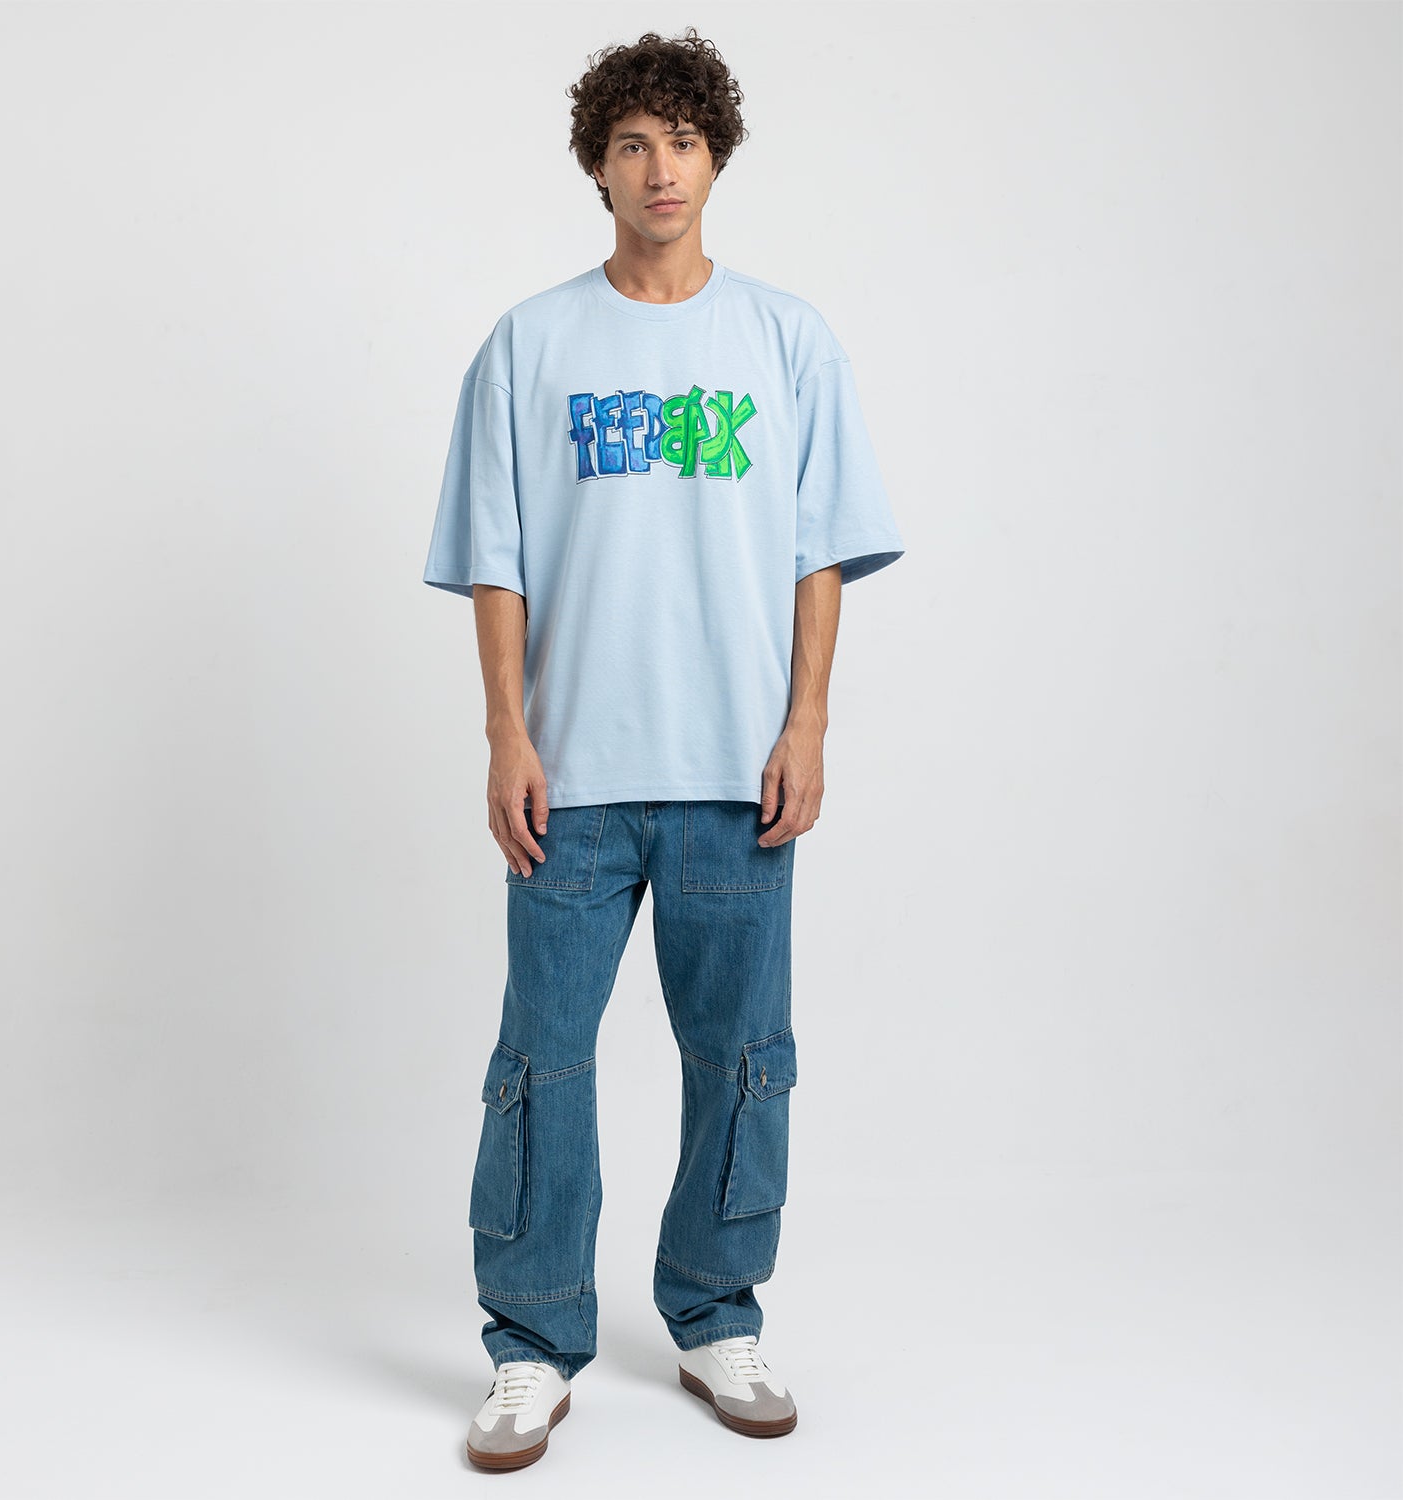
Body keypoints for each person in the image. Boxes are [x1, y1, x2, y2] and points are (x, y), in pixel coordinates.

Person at [422, 27, 905, 1472]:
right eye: (632, 143)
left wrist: (807, 723)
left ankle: (714, 1312)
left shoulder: (787, 341)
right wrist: (506, 732)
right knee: (540, 1063)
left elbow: (821, 552)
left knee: (744, 1060)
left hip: (734, 776)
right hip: (570, 779)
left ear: (716, 157)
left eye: (682, 141)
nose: (660, 169)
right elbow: (496, 558)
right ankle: (531, 1343)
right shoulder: (530, 344)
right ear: (597, 166)